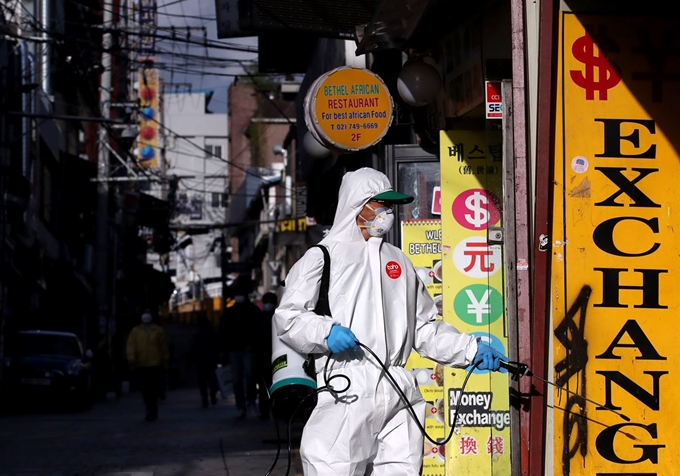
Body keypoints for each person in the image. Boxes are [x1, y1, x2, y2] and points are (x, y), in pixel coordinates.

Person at [273, 167, 506, 476]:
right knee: (330, 465)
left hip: (399, 388)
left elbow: (423, 327)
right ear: (359, 205)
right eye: (381, 204)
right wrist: (326, 332)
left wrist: (468, 350)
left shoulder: (397, 260)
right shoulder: (322, 257)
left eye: (390, 206)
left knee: (402, 470)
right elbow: (288, 317)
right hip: (347, 386)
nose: (387, 212)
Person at [219, 280, 261, 419]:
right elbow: (223, 332)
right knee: (237, 379)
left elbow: (257, 330)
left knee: (249, 377)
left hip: (247, 349)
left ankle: (250, 403)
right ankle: (241, 406)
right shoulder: (230, 312)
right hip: (234, 349)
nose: (239, 296)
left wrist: (252, 344)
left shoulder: (252, 310)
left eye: (241, 294)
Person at [126, 308, 169, 422]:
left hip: (155, 364)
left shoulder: (158, 331)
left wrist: (165, 360)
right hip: (141, 365)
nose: (146, 315)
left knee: (153, 389)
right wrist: (131, 358)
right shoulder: (135, 331)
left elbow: (163, 347)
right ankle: (150, 408)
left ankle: (152, 409)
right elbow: (131, 346)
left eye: (148, 313)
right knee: (145, 390)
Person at [188, 312, 220, 408]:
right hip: (212, 359)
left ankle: (204, 400)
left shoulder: (197, 334)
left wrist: (190, 360)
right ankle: (213, 394)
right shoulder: (213, 332)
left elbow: (193, 348)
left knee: (202, 382)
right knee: (213, 380)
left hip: (200, 360)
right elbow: (218, 346)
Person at [254, 291, 277, 419]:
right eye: (266, 302)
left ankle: (270, 411)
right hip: (263, 358)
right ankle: (266, 411)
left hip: (270, 357)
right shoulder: (260, 318)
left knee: (268, 387)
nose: (268, 305)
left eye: (270, 302)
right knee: (264, 387)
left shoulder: (276, 317)